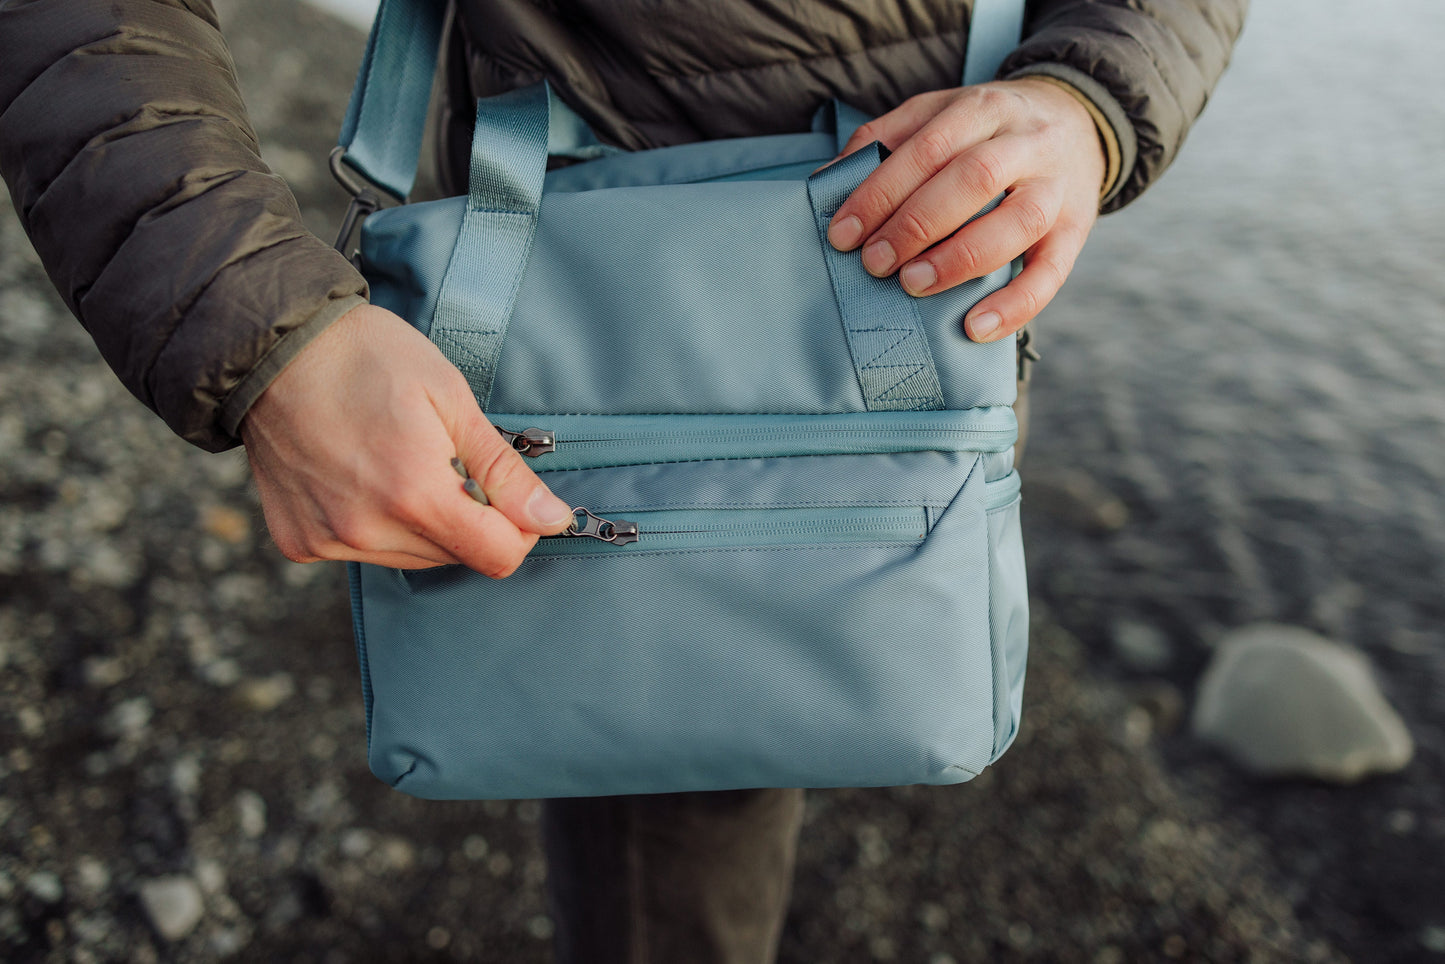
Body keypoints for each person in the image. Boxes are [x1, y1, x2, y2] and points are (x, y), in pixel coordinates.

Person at [0, 0, 1246, 960]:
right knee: (670, 818)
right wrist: (264, 338)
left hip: (920, 288)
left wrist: (1090, 96)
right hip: (613, 293)